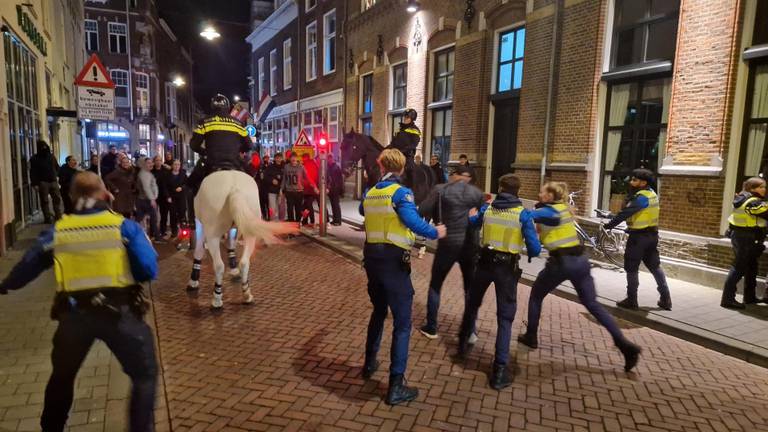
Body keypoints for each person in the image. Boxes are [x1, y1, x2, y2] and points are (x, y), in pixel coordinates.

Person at [0, 171, 158, 432]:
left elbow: (27, 266)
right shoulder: (124, 227)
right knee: (144, 376)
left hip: (74, 317)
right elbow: (148, 268)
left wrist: (6, 285)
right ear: (105, 194)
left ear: (72, 197)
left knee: (62, 377)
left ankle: (51, 428)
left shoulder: (57, 232)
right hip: (120, 314)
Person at [518, 181, 642, 372]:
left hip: (561, 263)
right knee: (592, 304)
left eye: (542, 191)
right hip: (581, 261)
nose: (539, 192)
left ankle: (531, 336)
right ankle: (624, 345)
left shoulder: (549, 212)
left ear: (550, 196)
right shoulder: (563, 210)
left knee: (536, 296)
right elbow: (543, 229)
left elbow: (523, 215)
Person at [360, 148, 446, 405]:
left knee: (378, 311)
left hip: (371, 261)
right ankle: (396, 386)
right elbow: (412, 221)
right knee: (403, 323)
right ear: (400, 168)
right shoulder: (401, 192)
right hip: (393, 263)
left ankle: (369, 363)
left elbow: (368, 215)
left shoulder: (371, 192)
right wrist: (435, 232)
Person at [457, 174, 541, 389]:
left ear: (500, 188)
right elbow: (535, 249)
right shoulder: (522, 214)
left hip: (483, 264)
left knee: (473, 304)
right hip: (506, 269)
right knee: (505, 317)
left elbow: (473, 223)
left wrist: (472, 213)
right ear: (518, 191)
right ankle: (499, 369)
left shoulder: (488, 208)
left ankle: (463, 344)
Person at [418, 165, 485, 340]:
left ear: (454, 175)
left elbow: (422, 210)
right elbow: (480, 219)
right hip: (470, 245)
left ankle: (432, 326)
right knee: (469, 288)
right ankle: (470, 330)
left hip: (448, 244)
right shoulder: (477, 193)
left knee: (436, 284)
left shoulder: (441, 190)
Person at [604, 168, 671, 311]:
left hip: (638, 238)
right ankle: (666, 299)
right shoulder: (652, 194)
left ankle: (631, 300)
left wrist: (609, 225)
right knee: (655, 266)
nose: (631, 182)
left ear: (643, 182)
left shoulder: (641, 198)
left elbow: (626, 213)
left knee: (631, 268)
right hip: (652, 236)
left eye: (634, 180)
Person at [720, 177, 768, 309]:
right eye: (762, 187)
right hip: (745, 237)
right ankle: (728, 299)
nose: (764, 189)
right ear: (753, 188)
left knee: (752, 266)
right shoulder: (752, 202)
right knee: (739, 267)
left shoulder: (742, 197)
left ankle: (750, 297)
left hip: (743, 236)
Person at [190, 94, 252, 175]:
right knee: (249, 179)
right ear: (228, 107)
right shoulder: (238, 123)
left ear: (212, 106)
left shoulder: (204, 122)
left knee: (193, 182)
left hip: (211, 163)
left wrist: (205, 152)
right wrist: (239, 150)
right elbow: (249, 145)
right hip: (234, 162)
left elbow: (194, 145)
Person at [29, 140, 63, 223]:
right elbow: (33, 172)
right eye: (42, 147)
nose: (44, 148)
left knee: (57, 199)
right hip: (43, 182)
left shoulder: (51, 157)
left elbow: (57, 167)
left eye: (45, 147)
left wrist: (58, 176)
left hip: (53, 181)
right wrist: (35, 183)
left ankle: (58, 216)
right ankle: (47, 218)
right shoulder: (34, 159)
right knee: (45, 201)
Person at [388, 108, 420, 185]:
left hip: (407, 156)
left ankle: (411, 187)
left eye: (407, 117)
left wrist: (401, 151)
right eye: (405, 117)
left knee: (410, 170)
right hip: (396, 155)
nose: (405, 119)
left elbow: (413, 145)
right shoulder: (399, 129)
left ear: (412, 119)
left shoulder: (415, 130)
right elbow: (393, 143)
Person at [135, 157, 162, 242]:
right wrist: (152, 199)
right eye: (148, 163)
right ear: (144, 164)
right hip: (145, 201)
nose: (151, 164)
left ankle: (155, 237)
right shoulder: (144, 174)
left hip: (145, 200)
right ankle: (157, 237)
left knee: (143, 219)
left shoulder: (147, 173)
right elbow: (146, 188)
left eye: (151, 162)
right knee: (151, 219)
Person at [282, 153, 308, 223]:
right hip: (289, 191)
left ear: (297, 158)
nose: (293, 159)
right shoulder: (286, 167)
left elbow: (306, 178)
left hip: (299, 191)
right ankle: (291, 222)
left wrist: (303, 183)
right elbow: (284, 178)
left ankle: (297, 222)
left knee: (298, 208)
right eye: (292, 158)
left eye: (294, 158)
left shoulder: (301, 167)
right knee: (290, 208)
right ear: (290, 159)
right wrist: (281, 189)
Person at [167, 160, 188, 238]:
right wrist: (168, 196)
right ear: (172, 165)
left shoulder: (183, 174)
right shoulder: (168, 175)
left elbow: (186, 184)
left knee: (182, 213)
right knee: (173, 215)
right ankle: (174, 231)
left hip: (181, 197)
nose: (177, 166)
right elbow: (165, 187)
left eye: (178, 165)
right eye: (175, 164)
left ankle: (184, 230)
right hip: (172, 197)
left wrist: (182, 188)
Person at [152, 155, 171, 238]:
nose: (158, 162)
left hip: (164, 196)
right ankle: (153, 231)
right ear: (154, 161)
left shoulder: (166, 171)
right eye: (157, 160)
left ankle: (163, 231)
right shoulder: (151, 171)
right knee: (153, 215)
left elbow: (177, 171)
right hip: (154, 196)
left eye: (160, 160)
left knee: (164, 215)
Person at [265, 153, 285, 221]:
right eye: (277, 158)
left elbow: (285, 178)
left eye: (280, 158)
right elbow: (265, 177)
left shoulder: (284, 167)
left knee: (281, 208)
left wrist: (282, 189)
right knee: (272, 207)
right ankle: (272, 221)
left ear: (282, 158)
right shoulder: (270, 167)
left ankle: (281, 221)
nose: (278, 159)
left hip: (281, 191)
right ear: (274, 159)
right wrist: (272, 180)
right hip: (272, 190)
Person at [301, 153, 320, 226]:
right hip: (307, 189)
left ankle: (311, 221)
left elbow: (309, 177)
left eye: (304, 158)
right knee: (306, 206)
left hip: (311, 189)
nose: (303, 159)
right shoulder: (307, 164)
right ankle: (305, 220)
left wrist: (314, 186)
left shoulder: (310, 165)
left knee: (308, 206)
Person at [327, 154, 344, 226]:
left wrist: (341, 190)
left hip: (336, 189)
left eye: (330, 159)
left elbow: (340, 179)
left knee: (336, 205)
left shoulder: (336, 167)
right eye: (328, 159)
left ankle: (338, 220)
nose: (329, 160)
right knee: (333, 205)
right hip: (331, 189)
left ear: (332, 159)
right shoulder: (328, 167)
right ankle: (334, 219)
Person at [257, 154, 271, 219]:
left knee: (268, 204)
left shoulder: (271, 166)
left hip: (268, 188)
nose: (266, 160)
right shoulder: (260, 167)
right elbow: (257, 176)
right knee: (262, 203)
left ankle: (269, 216)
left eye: (267, 159)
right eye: (265, 158)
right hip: (261, 188)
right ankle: (264, 215)